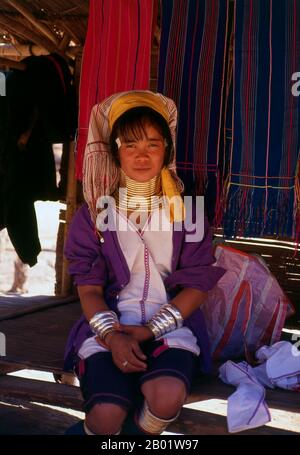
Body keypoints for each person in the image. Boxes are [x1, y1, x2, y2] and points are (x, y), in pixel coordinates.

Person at [64, 91, 225, 435]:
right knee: (106, 416)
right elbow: (89, 287)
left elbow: (197, 285)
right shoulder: (95, 215)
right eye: (130, 145)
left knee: (165, 397)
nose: (141, 156)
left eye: (152, 145)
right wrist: (113, 336)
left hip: (171, 327)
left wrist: (151, 330)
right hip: (108, 327)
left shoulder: (188, 213)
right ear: (114, 151)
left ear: (167, 150)